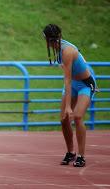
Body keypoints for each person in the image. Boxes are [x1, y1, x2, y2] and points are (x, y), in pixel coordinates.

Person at [42, 24, 97, 167]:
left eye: (54, 40)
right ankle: (70, 152)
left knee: (77, 116)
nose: (52, 43)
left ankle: (81, 156)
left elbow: (66, 79)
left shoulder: (67, 51)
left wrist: (68, 106)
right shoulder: (60, 49)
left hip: (85, 84)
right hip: (73, 83)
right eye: (50, 41)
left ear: (59, 37)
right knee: (64, 119)